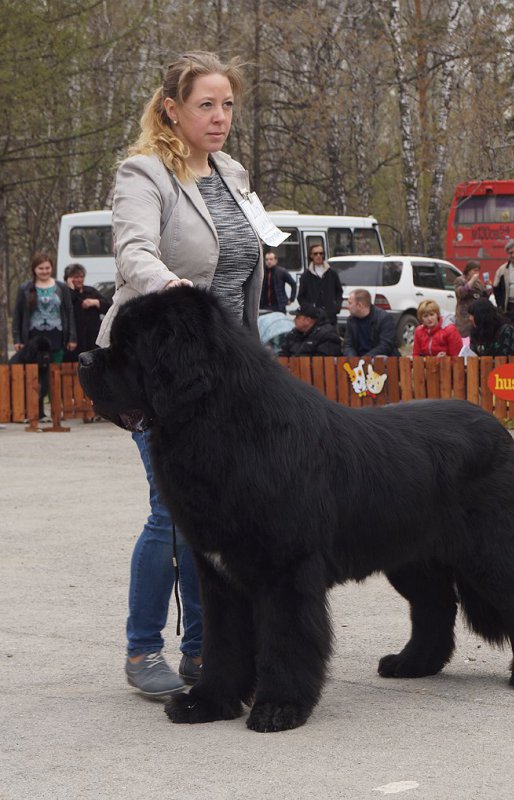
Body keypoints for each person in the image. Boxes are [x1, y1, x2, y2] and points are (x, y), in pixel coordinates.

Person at [96, 51, 263, 697]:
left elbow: (244, 260)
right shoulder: (144, 173)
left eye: (227, 105)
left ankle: (205, 651)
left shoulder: (232, 172)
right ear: (172, 109)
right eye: (206, 105)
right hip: (159, 368)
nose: (219, 117)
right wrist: (174, 292)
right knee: (172, 512)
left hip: (229, 371)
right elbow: (133, 249)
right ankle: (143, 652)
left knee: (218, 515)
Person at [12, 252, 77, 418]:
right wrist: (17, 339)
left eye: (47, 267)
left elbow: (69, 313)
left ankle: (56, 412)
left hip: (56, 336)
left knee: (53, 375)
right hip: (33, 338)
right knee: (34, 377)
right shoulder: (25, 288)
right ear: (34, 269)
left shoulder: (61, 287)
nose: (44, 271)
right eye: (40, 268)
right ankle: (35, 411)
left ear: (52, 268)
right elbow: (18, 315)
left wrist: (72, 337)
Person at [63, 263, 111, 360]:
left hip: (92, 338)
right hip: (75, 340)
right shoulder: (65, 293)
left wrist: (96, 302)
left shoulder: (91, 291)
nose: (80, 280)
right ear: (69, 279)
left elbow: (110, 307)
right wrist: (71, 290)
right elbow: (67, 305)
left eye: (82, 276)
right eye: (76, 277)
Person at [343, 289, 400, 357]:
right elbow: (348, 345)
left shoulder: (384, 318)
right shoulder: (351, 320)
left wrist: (365, 359)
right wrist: (353, 360)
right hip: (358, 363)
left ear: (359, 305)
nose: (347, 307)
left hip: (382, 362)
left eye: (350, 303)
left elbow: (386, 345)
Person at [297, 243, 343, 325]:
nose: (318, 256)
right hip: (313, 318)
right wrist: (311, 310)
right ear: (311, 256)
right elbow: (301, 297)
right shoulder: (306, 276)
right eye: (315, 254)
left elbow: (339, 292)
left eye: (321, 253)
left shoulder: (332, 273)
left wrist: (336, 307)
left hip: (330, 317)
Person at [454, 260, 493, 336]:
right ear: (468, 271)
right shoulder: (460, 280)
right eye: (474, 270)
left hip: (476, 317)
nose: (477, 273)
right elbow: (460, 293)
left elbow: (484, 298)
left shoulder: (478, 282)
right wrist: (471, 281)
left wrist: (488, 288)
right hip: (464, 317)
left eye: (478, 270)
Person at [493, 239, 514, 322]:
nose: (513, 255)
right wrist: (500, 305)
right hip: (509, 308)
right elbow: (496, 288)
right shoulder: (502, 270)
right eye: (510, 253)